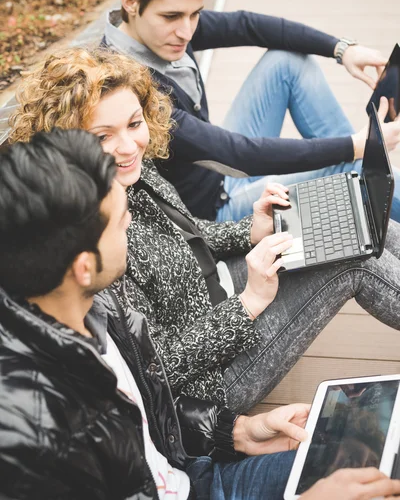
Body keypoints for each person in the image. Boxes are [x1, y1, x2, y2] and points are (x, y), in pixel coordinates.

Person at [3, 129, 396, 500]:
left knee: (378, 461)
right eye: (120, 225)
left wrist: (236, 431)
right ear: (83, 267)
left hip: (197, 477)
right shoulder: (46, 441)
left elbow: (152, 410)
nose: (130, 222)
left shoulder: (96, 308)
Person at [9, 48, 400, 417]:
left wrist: (253, 227)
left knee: (353, 218)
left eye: (134, 123)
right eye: (102, 136)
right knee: (356, 259)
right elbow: (155, 372)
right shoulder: (90, 238)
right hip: (218, 375)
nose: (128, 146)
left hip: (226, 287)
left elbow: (188, 234)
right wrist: (247, 304)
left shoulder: (129, 172)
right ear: (65, 142)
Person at [102, 0, 400, 222]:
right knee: (348, 164)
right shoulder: (130, 87)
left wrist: (342, 49)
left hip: (219, 170)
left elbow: (248, 25)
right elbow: (238, 155)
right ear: (130, 2)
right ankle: (365, 169)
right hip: (215, 211)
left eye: (195, 14)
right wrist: (354, 147)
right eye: (172, 16)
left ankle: (364, 170)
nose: (186, 31)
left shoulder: (157, 30)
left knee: (287, 63)